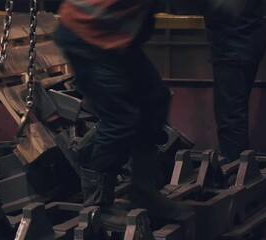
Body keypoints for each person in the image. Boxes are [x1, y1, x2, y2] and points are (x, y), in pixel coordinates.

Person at [54, 0, 189, 231]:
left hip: (113, 36)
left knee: (155, 98)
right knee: (120, 119)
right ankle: (97, 206)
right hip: (85, 36)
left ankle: (143, 191)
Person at [201, 0, 266, 163]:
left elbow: (222, 7)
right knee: (233, 115)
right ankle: (237, 170)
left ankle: (235, 172)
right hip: (245, 41)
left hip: (233, 45)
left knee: (230, 119)